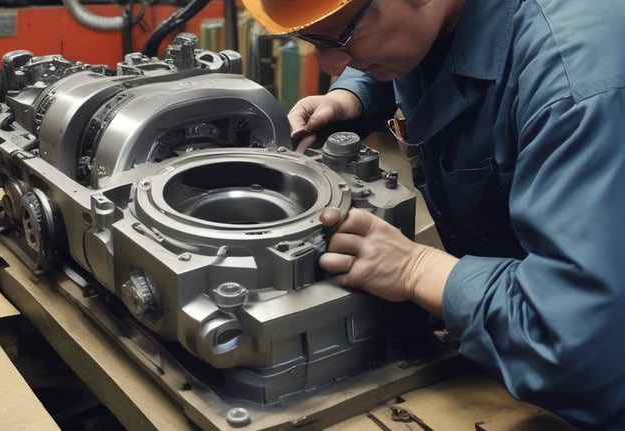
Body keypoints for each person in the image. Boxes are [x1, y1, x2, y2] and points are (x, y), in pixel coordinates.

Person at [241, 0, 625, 429]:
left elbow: (581, 348)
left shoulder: (577, 92)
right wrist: (354, 95)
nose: (329, 62)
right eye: (313, 40)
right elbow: (430, 44)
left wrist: (415, 268)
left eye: (341, 39)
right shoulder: (438, 19)